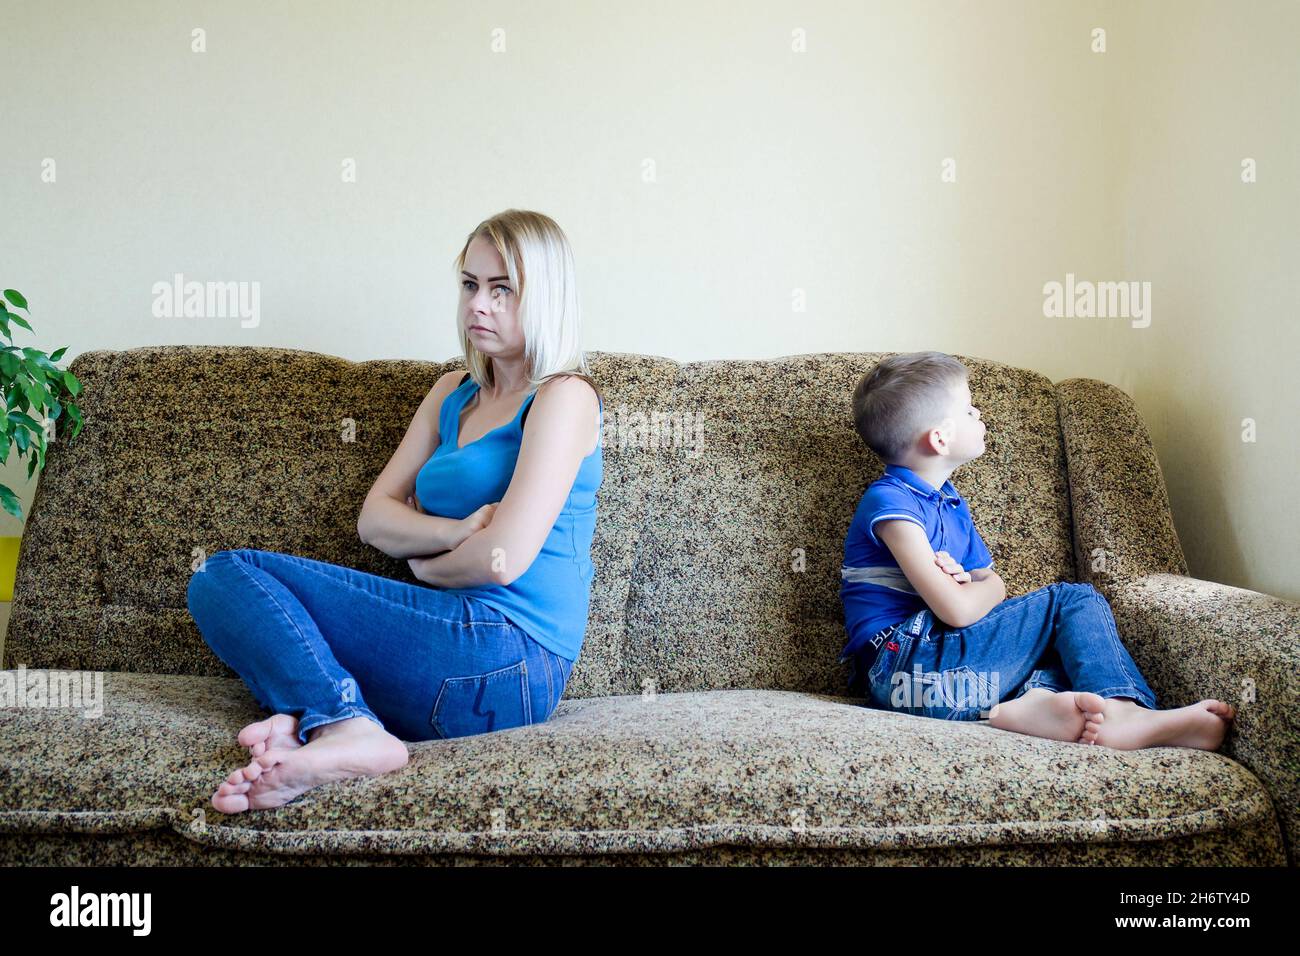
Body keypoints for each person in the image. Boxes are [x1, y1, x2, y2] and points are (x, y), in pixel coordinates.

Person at [187, 210, 604, 813]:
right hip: (442, 639)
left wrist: (423, 563)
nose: (478, 305)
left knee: (234, 570)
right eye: (470, 285)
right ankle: (339, 722)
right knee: (217, 579)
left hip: (511, 659)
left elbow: (503, 560)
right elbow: (374, 519)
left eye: (502, 289)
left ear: (546, 297)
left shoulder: (565, 397)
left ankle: (327, 723)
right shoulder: (449, 394)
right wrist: (456, 531)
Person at [838, 350, 1234, 749]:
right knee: (1071, 600)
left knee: (1065, 645)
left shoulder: (951, 504)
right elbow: (958, 610)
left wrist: (972, 589)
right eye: (969, 410)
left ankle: (1032, 704)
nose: (979, 415)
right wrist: (968, 592)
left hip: (950, 679)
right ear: (940, 438)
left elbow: (991, 584)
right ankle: (1125, 709)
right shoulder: (890, 504)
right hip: (902, 671)